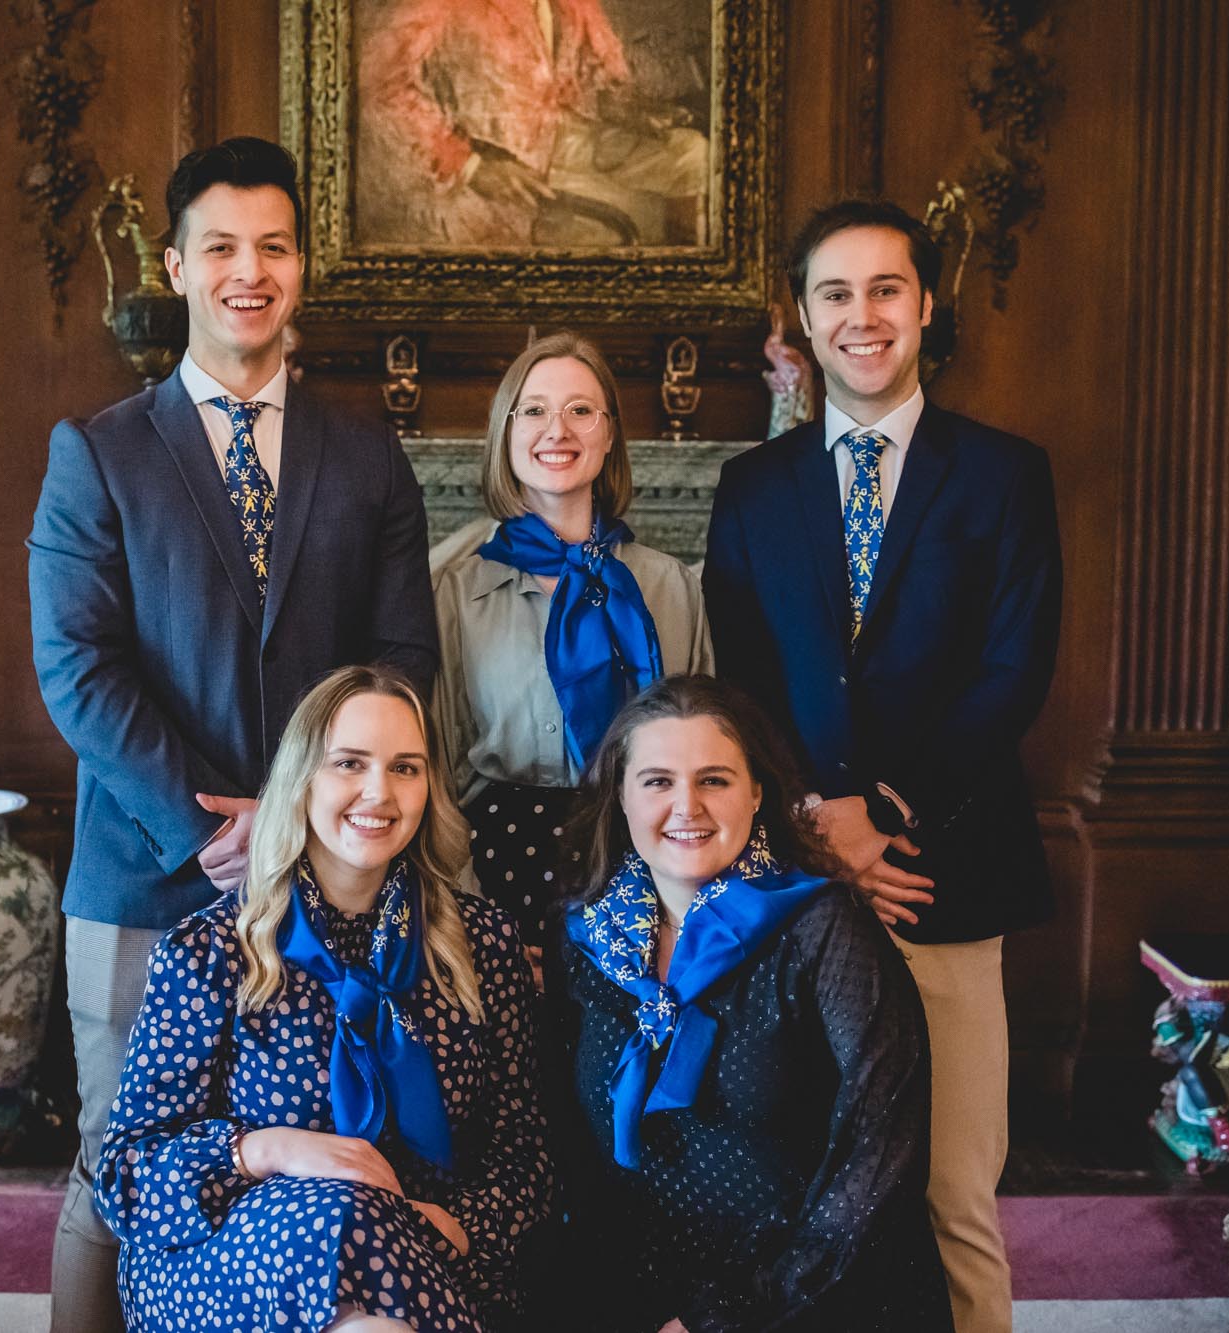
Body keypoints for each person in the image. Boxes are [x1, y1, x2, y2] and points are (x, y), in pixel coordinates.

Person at [27, 137, 438, 1332]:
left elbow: (405, 658)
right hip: (146, 872)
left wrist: (301, 818)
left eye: (273, 246)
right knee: (120, 1165)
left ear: (301, 266)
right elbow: (77, 666)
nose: (246, 271)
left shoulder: (365, 451)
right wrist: (207, 822)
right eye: (221, 247)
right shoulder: (97, 451)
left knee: (295, 1162)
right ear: (177, 265)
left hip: (332, 882)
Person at [703, 198, 1063, 1333]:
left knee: (952, 1188)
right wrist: (816, 822)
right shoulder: (753, 489)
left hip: (942, 870)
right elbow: (741, 680)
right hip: (797, 887)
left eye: (884, 291)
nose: (861, 316)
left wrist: (881, 816)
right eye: (834, 294)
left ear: (922, 308)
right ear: (801, 322)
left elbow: (1013, 670)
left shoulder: (1003, 474)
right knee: (811, 1186)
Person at [93, 665, 550, 1332]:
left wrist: (463, 1223)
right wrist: (270, 1149)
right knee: (342, 1209)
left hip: (434, 1256)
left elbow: (527, 1150)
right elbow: (125, 1177)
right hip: (227, 1267)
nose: (378, 791)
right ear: (302, 778)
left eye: (405, 768)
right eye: (349, 763)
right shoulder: (209, 952)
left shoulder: (484, 943)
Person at [545, 674, 949, 1330]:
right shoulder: (585, 935)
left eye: (714, 779)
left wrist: (728, 1317)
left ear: (758, 792)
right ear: (619, 795)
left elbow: (881, 1149)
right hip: (636, 1286)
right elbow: (569, 1140)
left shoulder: (824, 925)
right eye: (657, 781)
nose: (687, 806)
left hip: (806, 1293)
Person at [432, 331, 711, 960]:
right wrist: (469, 918)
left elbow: (705, 758)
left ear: (609, 435)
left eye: (581, 410)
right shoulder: (453, 590)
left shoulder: (669, 586)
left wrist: (683, 905)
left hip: (642, 864)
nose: (557, 429)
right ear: (506, 434)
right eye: (533, 411)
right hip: (495, 871)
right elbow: (438, 773)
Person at [356, 0, 708, 247]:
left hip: (567, 139)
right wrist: (470, 166)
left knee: (692, 154)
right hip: (501, 164)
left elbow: (595, 75)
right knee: (618, 229)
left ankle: (695, 288)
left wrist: (629, 108)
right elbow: (381, 82)